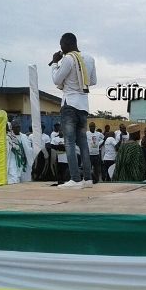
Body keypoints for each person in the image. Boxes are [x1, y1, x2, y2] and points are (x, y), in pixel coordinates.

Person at [50, 32, 97, 189]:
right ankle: (88, 179)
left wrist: (55, 63)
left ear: (67, 43)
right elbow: (93, 81)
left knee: (69, 142)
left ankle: (75, 179)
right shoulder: (90, 58)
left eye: (61, 45)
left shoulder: (68, 58)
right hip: (83, 106)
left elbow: (56, 79)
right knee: (83, 143)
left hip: (70, 104)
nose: (61, 48)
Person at [6, 119, 34, 184]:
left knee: (25, 179)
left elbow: (28, 149)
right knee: (13, 177)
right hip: (13, 160)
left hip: (23, 161)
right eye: (16, 127)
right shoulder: (8, 137)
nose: (18, 128)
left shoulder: (24, 136)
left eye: (18, 126)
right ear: (12, 128)